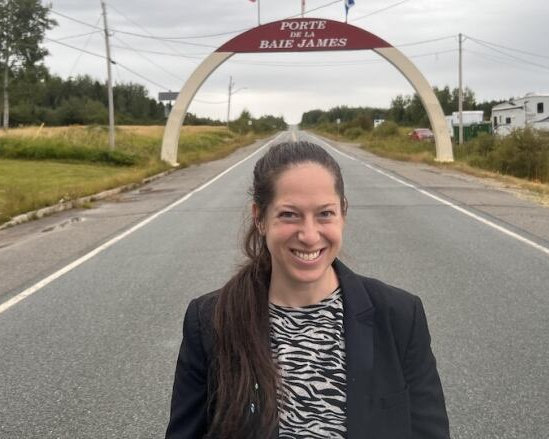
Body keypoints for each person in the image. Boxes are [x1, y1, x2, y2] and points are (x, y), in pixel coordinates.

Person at [166, 141, 449, 438]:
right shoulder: (211, 321)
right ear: (260, 218)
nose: (310, 235)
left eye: (325, 214)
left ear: (343, 213)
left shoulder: (400, 316)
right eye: (289, 214)